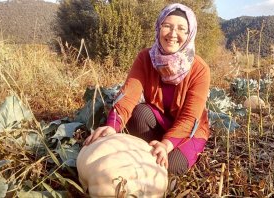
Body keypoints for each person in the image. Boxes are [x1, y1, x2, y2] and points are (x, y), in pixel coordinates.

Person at [83, 3, 210, 175]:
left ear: (190, 34)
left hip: (188, 132)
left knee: (170, 166)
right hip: (159, 120)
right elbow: (128, 94)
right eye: (167, 26)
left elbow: (190, 118)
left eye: (181, 29)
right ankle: (148, 149)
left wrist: (166, 144)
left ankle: (157, 149)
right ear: (158, 28)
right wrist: (112, 125)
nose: (173, 34)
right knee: (139, 114)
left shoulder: (200, 69)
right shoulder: (145, 58)